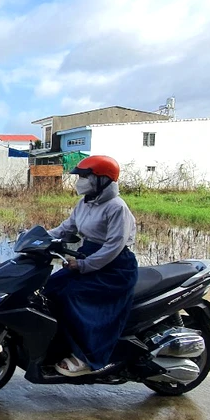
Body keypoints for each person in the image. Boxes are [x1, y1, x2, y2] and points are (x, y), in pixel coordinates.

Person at [45, 155, 138, 377]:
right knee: (50, 288)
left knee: (72, 296)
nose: (80, 181)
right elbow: (65, 229)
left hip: (115, 268)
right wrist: (37, 237)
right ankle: (60, 344)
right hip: (87, 258)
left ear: (101, 180)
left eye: (85, 176)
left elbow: (114, 247)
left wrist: (84, 265)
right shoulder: (85, 203)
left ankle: (86, 357)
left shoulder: (117, 208)